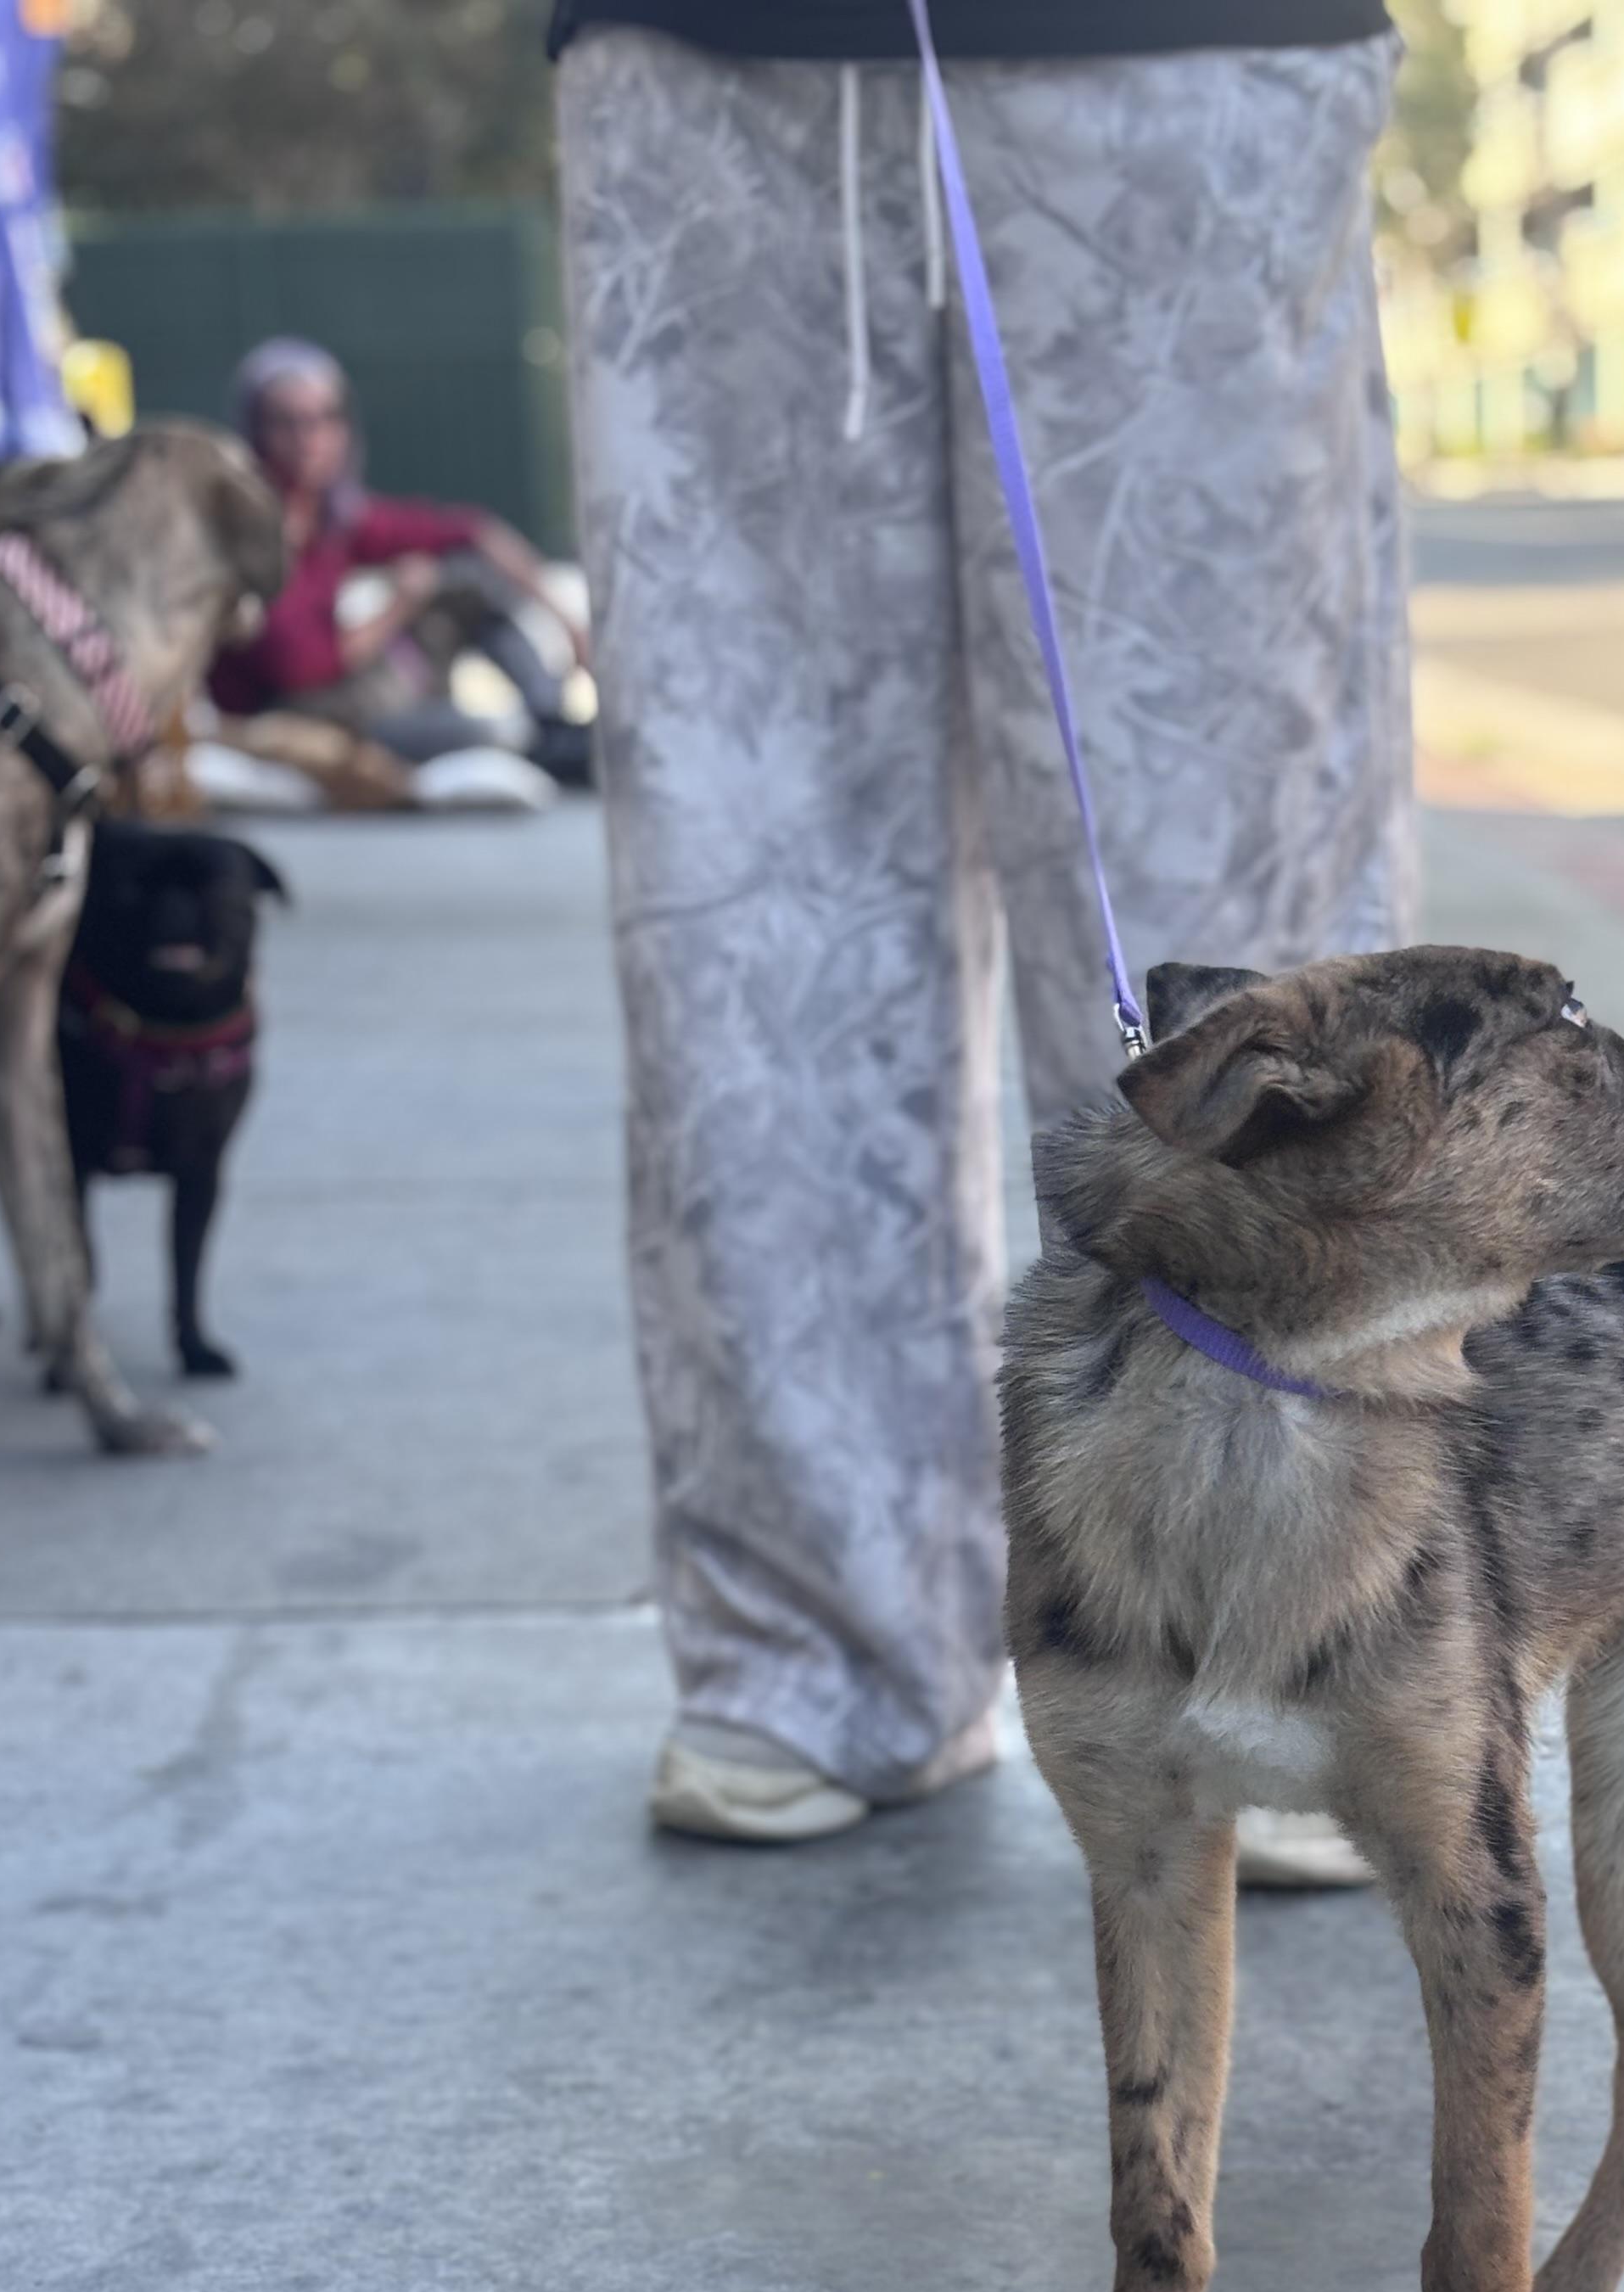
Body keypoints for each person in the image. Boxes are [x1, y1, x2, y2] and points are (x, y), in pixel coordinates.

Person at [552, 0, 1412, 1883]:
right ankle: (812, 1633)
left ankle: (1282, 1621)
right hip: (713, 60)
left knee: (1223, 869)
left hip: (1187, 50)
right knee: (745, 874)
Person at [212, 339, 596, 788]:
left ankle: (550, 717)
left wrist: (568, 620)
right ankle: (537, 745)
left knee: (466, 581)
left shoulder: (334, 516)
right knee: (489, 732)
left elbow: (473, 531)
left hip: (366, 688)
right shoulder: (254, 529)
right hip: (304, 720)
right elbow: (299, 667)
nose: (308, 440)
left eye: (324, 420)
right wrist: (399, 606)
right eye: (287, 423)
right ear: (256, 432)